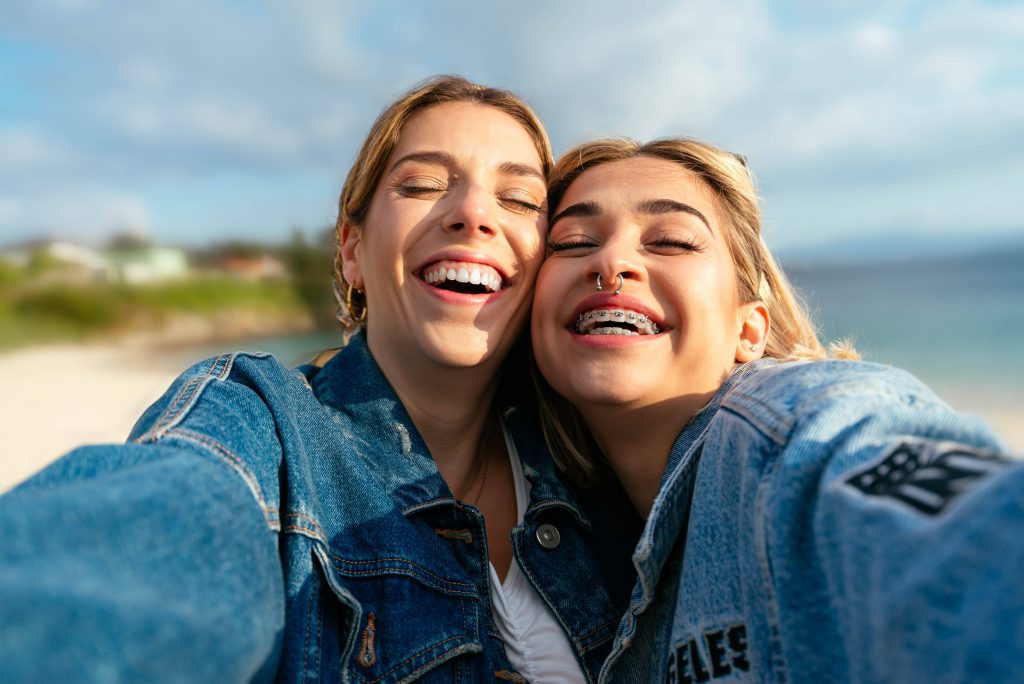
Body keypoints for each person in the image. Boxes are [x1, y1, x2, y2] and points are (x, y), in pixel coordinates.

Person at [0, 77, 640, 683]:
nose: (473, 213)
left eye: (520, 199)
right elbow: (144, 551)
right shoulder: (259, 427)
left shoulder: (593, 459)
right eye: (421, 184)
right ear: (352, 251)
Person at [530, 137, 1024, 683]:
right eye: (573, 241)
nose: (612, 261)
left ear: (748, 329)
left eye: (670, 240)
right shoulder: (561, 529)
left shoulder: (793, 426)